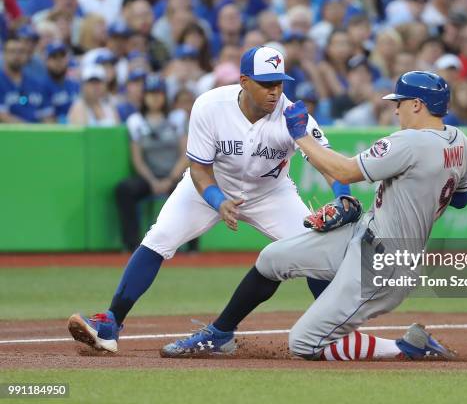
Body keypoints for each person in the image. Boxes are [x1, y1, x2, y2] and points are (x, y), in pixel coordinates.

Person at [159, 70, 467, 361]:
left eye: (400, 103)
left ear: (418, 105)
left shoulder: (409, 142)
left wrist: (300, 135)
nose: (396, 110)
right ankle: (219, 334)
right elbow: (460, 198)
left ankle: (406, 347)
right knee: (272, 259)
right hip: (368, 236)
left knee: (303, 344)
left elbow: (344, 172)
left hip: (385, 263)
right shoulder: (461, 142)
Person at [68, 45, 349, 353]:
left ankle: (334, 335)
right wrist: (218, 201)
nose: (275, 91)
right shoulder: (210, 105)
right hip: (209, 187)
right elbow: (199, 170)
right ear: (244, 81)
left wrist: (343, 198)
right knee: (160, 237)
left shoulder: (293, 116)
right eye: (266, 83)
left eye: (279, 83)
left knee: (315, 252)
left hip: (271, 193)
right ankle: (110, 323)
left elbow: (332, 166)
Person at [115, 74, 193, 252]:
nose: (154, 98)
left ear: (164, 96)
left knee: (193, 188)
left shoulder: (177, 118)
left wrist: (170, 179)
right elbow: (137, 159)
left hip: (175, 176)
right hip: (150, 177)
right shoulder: (136, 121)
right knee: (124, 189)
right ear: (144, 96)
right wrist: (153, 181)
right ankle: (131, 244)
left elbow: (186, 154)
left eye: (158, 93)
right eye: (150, 94)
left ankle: (191, 246)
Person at [0, 35, 54, 123]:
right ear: (4, 54)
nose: (17, 55)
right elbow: (2, 116)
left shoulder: (37, 84)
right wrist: (29, 131)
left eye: (21, 51)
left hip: (38, 134)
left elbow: (47, 116)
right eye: (12, 51)